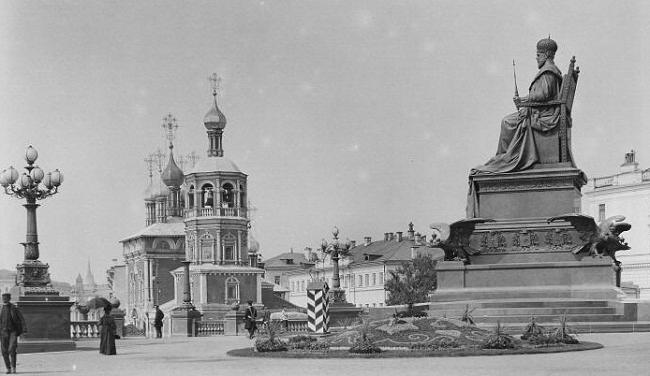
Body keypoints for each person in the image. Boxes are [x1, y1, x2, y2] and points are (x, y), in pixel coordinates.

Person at [473, 37, 563, 175]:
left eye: (538, 55)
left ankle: (506, 158)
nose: (536, 58)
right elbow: (542, 95)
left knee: (507, 122)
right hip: (542, 111)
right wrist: (524, 101)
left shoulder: (548, 72)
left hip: (543, 115)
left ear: (545, 55)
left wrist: (522, 101)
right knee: (508, 120)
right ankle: (505, 156)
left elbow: (542, 96)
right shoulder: (552, 70)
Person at [0, 293, 24, 374]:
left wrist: (22, 330)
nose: (4, 299)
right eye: (3, 298)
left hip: (12, 332)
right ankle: (8, 368)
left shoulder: (14, 308)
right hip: (3, 332)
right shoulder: (0, 308)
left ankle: (13, 367)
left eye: (6, 298)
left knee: (12, 349)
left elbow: (21, 319)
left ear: (9, 298)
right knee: (4, 351)